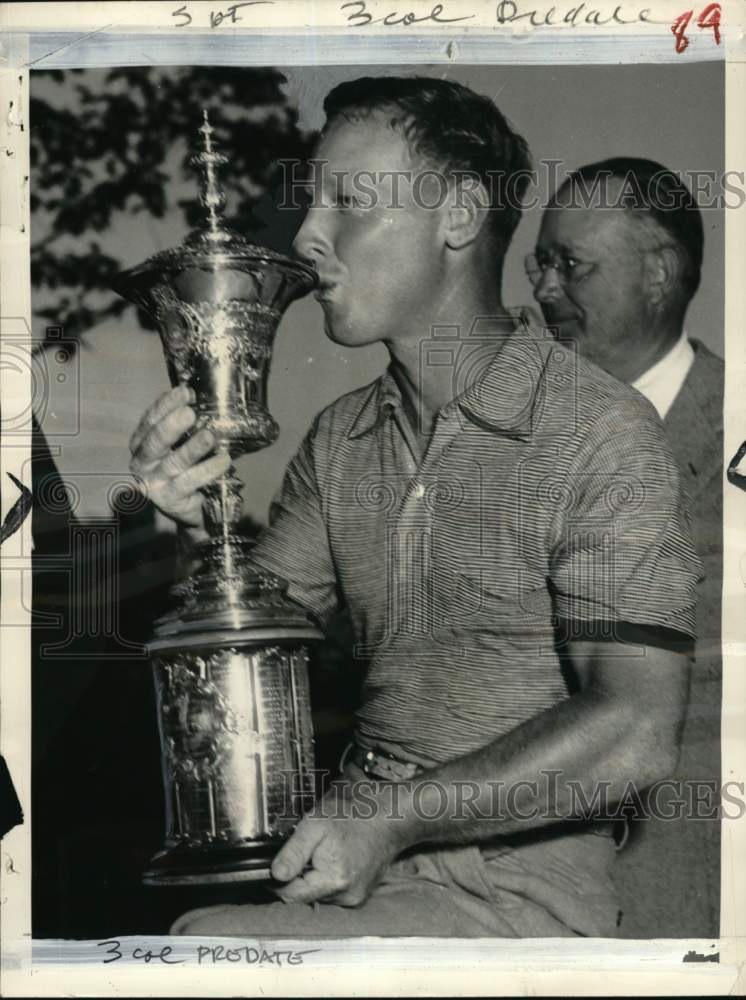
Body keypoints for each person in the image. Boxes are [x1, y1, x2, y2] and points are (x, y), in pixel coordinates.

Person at [130, 78, 702, 938]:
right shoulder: (342, 436)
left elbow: (635, 732)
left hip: (517, 901)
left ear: (458, 216)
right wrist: (195, 522)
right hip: (354, 869)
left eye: (348, 203)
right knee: (184, 942)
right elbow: (258, 648)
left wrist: (395, 816)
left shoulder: (600, 430)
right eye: (313, 203)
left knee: (200, 948)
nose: (307, 236)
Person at [528, 158, 723, 937]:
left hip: (696, 895)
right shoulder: (516, 441)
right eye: (540, 264)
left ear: (659, 273)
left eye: (570, 264)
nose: (545, 290)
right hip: (530, 892)